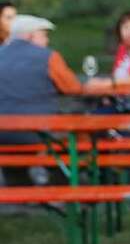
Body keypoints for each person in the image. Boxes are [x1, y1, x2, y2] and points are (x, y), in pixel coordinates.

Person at [0, 15, 106, 183]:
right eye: (43, 35)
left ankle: (19, 184)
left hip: (2, 134)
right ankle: (64, 181)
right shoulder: (48, 57)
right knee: (79, 134)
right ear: (30, 36)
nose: (47, 40)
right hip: (38, 133)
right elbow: (74, 88)